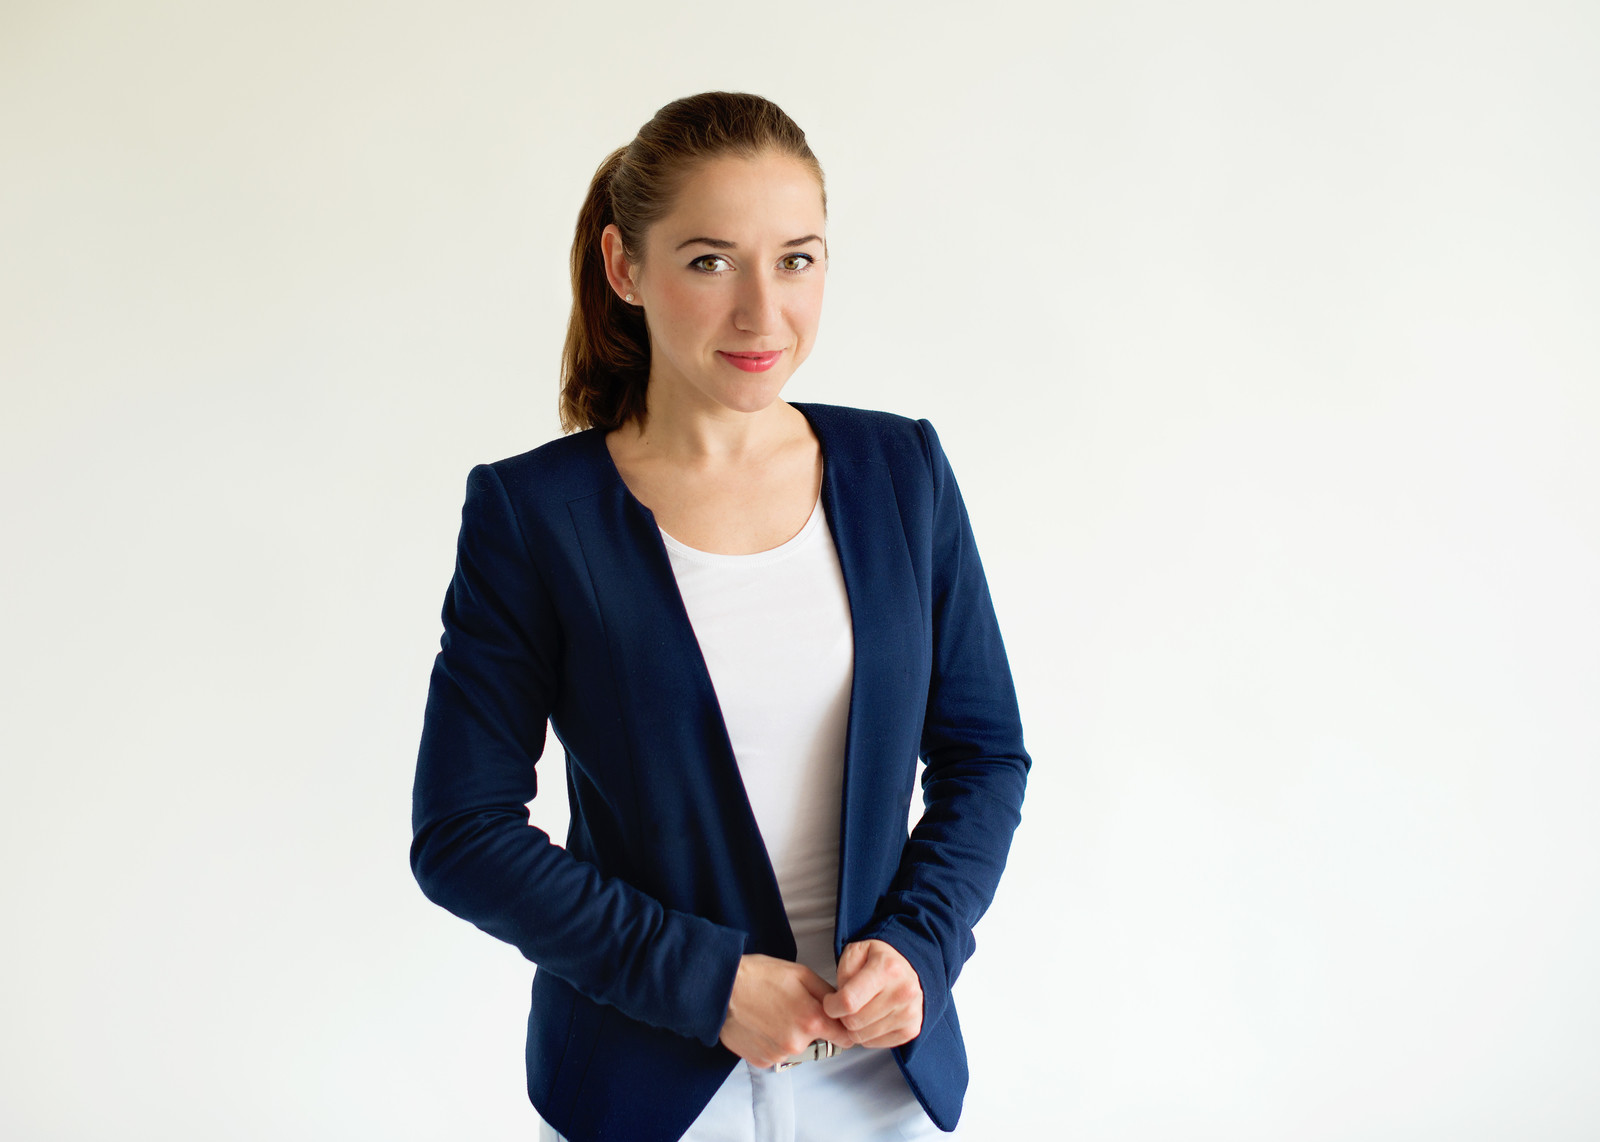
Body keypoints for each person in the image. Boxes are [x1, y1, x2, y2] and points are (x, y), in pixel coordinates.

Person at [411, 92, 1029, 1142]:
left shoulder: (901, 471)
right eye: (710, 262)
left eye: (796, 260)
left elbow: (984, 755)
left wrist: (920, 947)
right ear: (624, 267)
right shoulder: (536, 513)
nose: (762, 313)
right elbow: (461, 833)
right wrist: (707, 985)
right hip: (647, 1091)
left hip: (882, 1086)